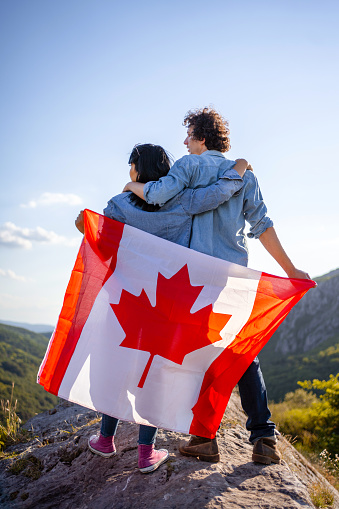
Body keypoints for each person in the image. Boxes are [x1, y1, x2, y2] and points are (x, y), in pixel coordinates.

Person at [123, 108, 311, 465]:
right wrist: (290, 269)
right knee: (241, 354)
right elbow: (263, 226)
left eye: (189, 135)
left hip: (193, 278)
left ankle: (205, 438)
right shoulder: (245, 177)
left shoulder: (188, 167)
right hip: (232, 276)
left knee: (193, 353)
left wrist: (132, 185)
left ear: (202, 138)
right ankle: (264, 437)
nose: (184, 142)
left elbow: (159, 196)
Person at [75, 143, 249, 473]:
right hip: (169, 303)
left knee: (122, 363)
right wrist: (238, 168)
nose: (129, 172)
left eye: (132, 167)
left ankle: (104, 439)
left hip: (128, 300)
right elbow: (219, 193)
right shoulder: (183, 202)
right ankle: (146, 453)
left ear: (138, 169)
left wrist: (82, 225)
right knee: (154, 374)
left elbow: (101, 241)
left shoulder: (119, 204)